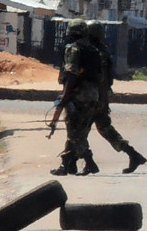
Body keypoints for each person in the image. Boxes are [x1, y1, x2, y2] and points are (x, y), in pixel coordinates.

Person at [85, 20, 147, 174]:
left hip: (94, 97)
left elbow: (102, 78)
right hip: (100, 96)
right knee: (104, 128)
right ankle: (133, 154)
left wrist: (102, 100)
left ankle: (83, 162)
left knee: (78, 131)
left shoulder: (94, 52)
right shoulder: (101, 50)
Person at [49, 19, 101, 176]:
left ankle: (90, 163)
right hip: (93, 95)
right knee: (80, 131)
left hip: (78, 95)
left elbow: (71, 74)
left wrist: (65, 95)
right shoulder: (94, 50)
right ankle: (67, 165)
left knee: (74, 133)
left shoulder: (73, 49)